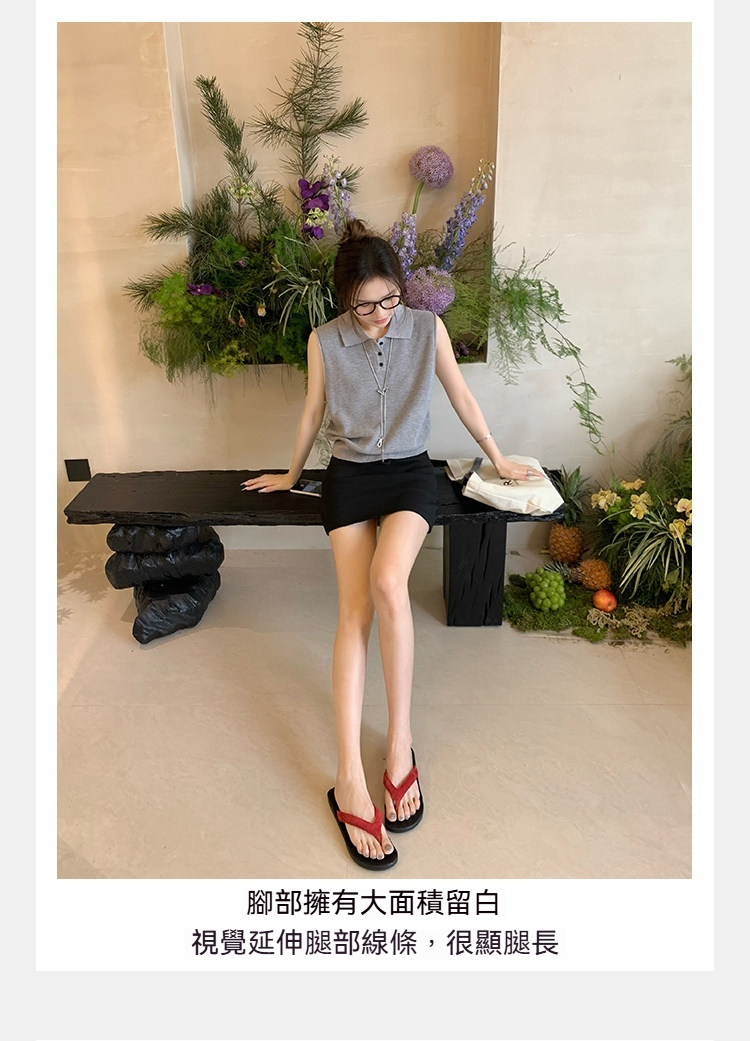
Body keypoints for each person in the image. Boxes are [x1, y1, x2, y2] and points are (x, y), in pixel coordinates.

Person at [242, 219, 543, 871]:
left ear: (401, 290)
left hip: (409, 474)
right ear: (343, 300)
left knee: (388, 583)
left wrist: (497, 457)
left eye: (388, 300)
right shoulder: (324, 340)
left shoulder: (427, 329)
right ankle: (349, 774)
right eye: (364, 305)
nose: (379, 315)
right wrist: (291, 474)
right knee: (354, 612)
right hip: (349, 476)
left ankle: (400, 743)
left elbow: (460, 395)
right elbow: (312, 412)